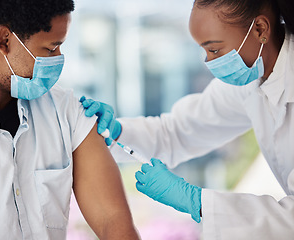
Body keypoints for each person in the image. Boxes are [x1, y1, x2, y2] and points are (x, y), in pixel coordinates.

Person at [81, 0, 294, 239]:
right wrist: (116, 133)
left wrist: (197, 202)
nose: (209, 63)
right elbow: (178, 132)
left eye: (214, 50)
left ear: (260, 30)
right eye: (204, 51)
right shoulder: (251, 80)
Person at [0, 0, 141, 239]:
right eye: (51, 49)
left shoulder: (66, 110)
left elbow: (113, 221)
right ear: (5, 41)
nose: (59, 59)